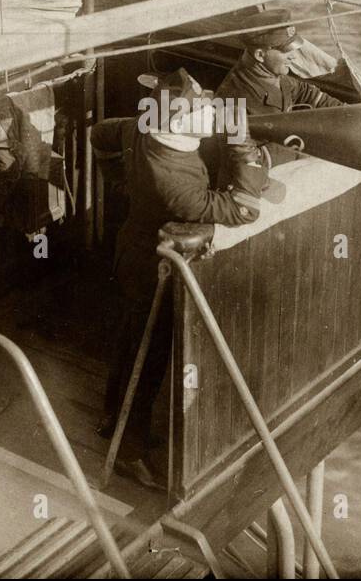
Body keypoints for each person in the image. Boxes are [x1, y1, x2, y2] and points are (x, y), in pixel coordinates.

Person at [90, 68, 268, 487]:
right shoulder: (172, 181)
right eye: (201, 106)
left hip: (132, 250)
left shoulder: (145, 129)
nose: (210, 107)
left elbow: (100, 134)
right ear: (180, 121)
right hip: (154, 268)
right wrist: (242, 143)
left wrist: (119, 182)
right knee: (148, 359)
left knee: (131, 339)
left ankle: (111, 418)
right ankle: (128, 452)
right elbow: (244, 208)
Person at [214, 8, 345, 115]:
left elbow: (306, 92)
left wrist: (346, 111)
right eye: (286, 50)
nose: (293, 56)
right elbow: (237, 147)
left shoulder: (272, 75)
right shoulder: (233, 100)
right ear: (260, 55)